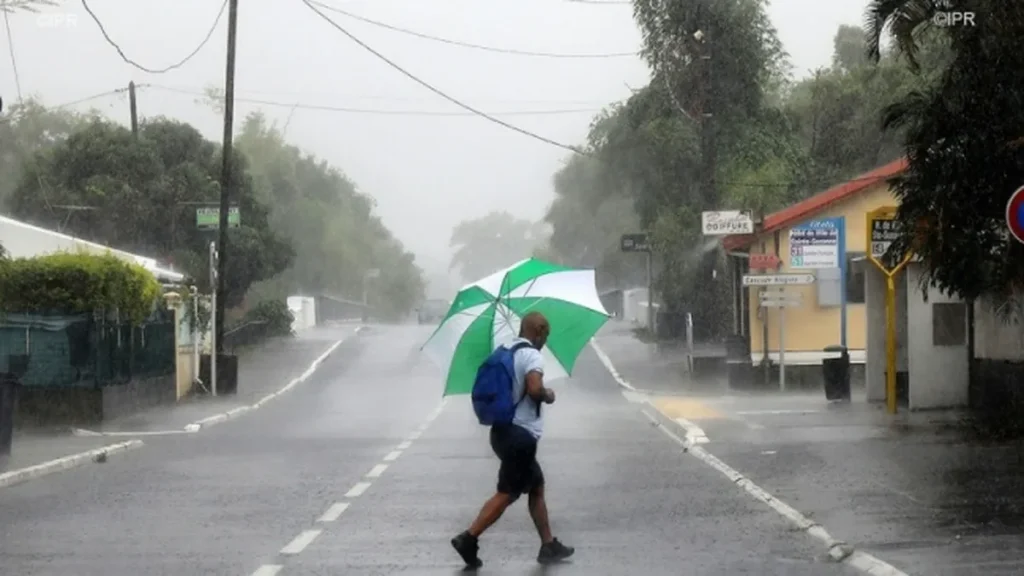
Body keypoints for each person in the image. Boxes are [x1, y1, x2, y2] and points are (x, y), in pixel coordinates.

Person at [451, 311, 575, 567]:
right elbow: (534, 389)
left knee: (536, 486)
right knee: (507, 493)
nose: (545, 341)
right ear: (538, 330)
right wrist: (548, 394)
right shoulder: (531, 354)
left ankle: (548, 545)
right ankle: (468, 538)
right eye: (546, 334)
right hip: (520, 437)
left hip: (501, 431)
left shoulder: (505, 348)